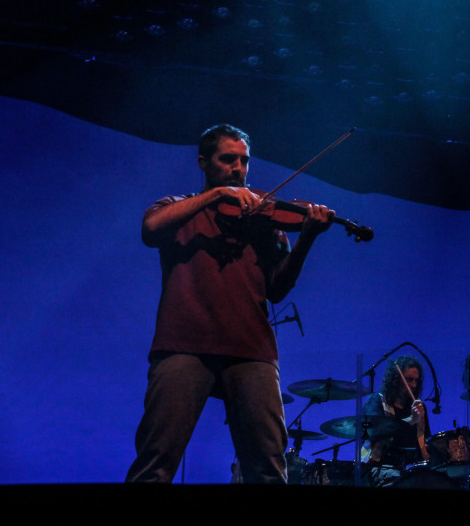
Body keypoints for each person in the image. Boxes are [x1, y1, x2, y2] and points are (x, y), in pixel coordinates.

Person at [126, 124, 333, 484]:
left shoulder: (265, 220)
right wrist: (217, 195)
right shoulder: (178, 207)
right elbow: (150, 229)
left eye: (244, 161)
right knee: (155, 463)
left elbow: (277, 290)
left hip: (251, 349)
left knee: (268, 467)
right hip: (184, 345)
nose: (239, 169)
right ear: (204, 162)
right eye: (228, 159)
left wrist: (307, 239)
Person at [361, 356, 431, 485]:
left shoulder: (418, 407)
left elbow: (424, 442)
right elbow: (378, 432)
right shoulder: (377, 401)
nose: (413, 385)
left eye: (416, 380)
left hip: (411, 469)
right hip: (379, 467)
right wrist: (411, 420)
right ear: (395, 380)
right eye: (409, 380)